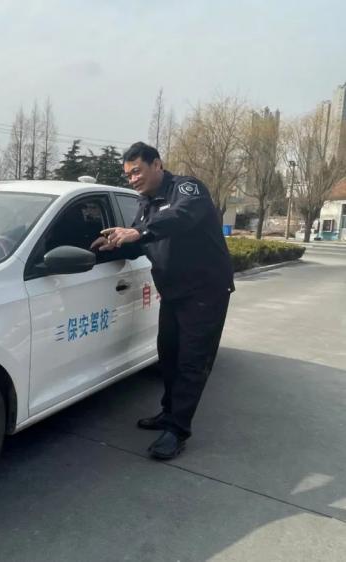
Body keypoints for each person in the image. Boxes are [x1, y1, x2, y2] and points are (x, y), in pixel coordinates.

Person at [92, 142, 234, 460]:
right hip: (173, 294)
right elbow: (142, 240)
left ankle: (177, 431)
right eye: (128, 175)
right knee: (168, 356)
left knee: (191, 363)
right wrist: (115, 243)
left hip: (204, 292)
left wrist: (138, 233)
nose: (133, 179)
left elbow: (180, 219)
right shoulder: (145, 204)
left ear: (157, 164)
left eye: (137, 171)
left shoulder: (186, 190)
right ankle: (168, 413)